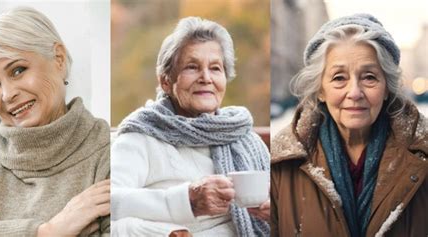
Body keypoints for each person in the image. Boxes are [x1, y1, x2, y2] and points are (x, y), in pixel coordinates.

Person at [0, 7, 110, 236]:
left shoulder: (111, 154)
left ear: (58, 58)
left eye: (18, 70)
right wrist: (47, 231)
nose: (7, 95)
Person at [110, 17, 270, 237]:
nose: (206, 78)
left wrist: (277, 212)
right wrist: (188, 200)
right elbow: (109, 200)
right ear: (166, 81)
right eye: (192, 67)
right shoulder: (141, 135)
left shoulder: (243, 137)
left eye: (215, 68)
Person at [271, 13, 427, 237]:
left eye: (369, 77)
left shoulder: (422, 154)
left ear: (386, 89)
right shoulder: (281, 164)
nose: (354, 92)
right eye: (339, 78)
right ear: (320, 91)